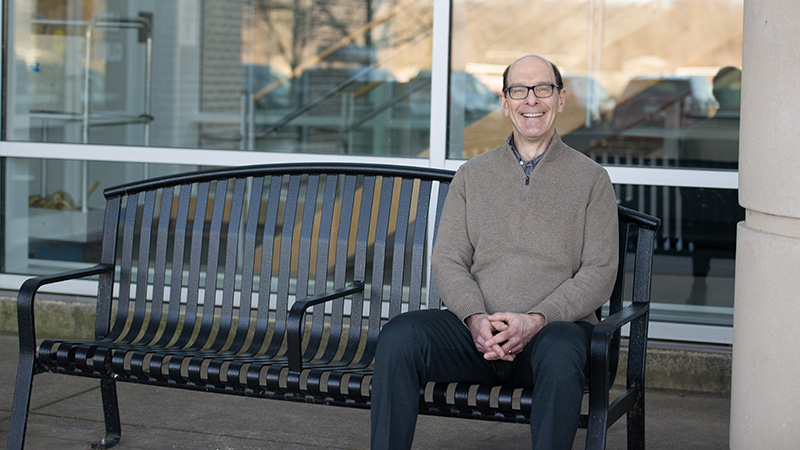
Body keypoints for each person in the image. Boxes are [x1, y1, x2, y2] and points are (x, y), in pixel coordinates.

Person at [370, 55, 619, 450]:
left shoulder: (591, 179)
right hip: (476, 336)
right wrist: (473, 318)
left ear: (561, 98)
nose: (531, 100)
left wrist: (536, 319)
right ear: (505, 103)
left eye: (543, 89)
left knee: (561, 351)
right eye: (519, 90)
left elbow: (600, 271)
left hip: (551, 336)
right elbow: (448, 259)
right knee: (400, 336)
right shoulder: (473, 174)